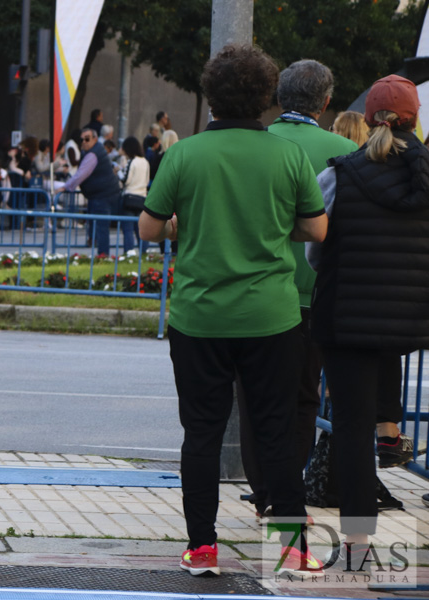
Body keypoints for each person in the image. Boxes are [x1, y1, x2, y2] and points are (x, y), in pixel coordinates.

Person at [138, 44, 327, 578]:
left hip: (198, 318)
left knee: (200, 433)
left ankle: (202, 548)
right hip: (272, 317)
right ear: (267, 97)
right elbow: (317, 229)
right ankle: (292, 547)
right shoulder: (287, 156)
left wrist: (182, 225)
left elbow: (149, 227)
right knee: (275, 430)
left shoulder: (184, 155)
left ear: (211, 96)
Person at [308, 74, 429, 566]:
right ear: (414, 119)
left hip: (345, 317)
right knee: (382, 418)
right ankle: (395, 435)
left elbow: (317, 250)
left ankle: (357, 541)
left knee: (353, 427)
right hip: (409, 319)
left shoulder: (339, 174)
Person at [239, 59, 359, 520]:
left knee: (253, 396)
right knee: (304, 397)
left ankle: (263, 487)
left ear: (277, 97)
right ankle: (287, 487)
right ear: (327, 102)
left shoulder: (258, 143)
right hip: (314, 295)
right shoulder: (341, 150)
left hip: (258, 292)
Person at [54, 128, 121, 258]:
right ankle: (95, 244)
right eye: (82, 139)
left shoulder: (93, 154)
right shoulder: (94, 150)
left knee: (101, 225)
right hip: (99, 193)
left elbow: (81, 174)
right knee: (97, 222)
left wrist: (66, 186)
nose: (84, 142)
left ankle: (103, 254)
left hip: (102, 194)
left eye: (87, 139)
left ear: (95, 139)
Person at [118, 136, 149, 255]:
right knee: (141, 229)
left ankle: (129, 253)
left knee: (128, 229)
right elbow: (146, 181)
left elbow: (126, 180)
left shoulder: (132, 161)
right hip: (142, 198)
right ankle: (144, 253)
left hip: (129, 198)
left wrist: (118, 171)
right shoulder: (145, 162)